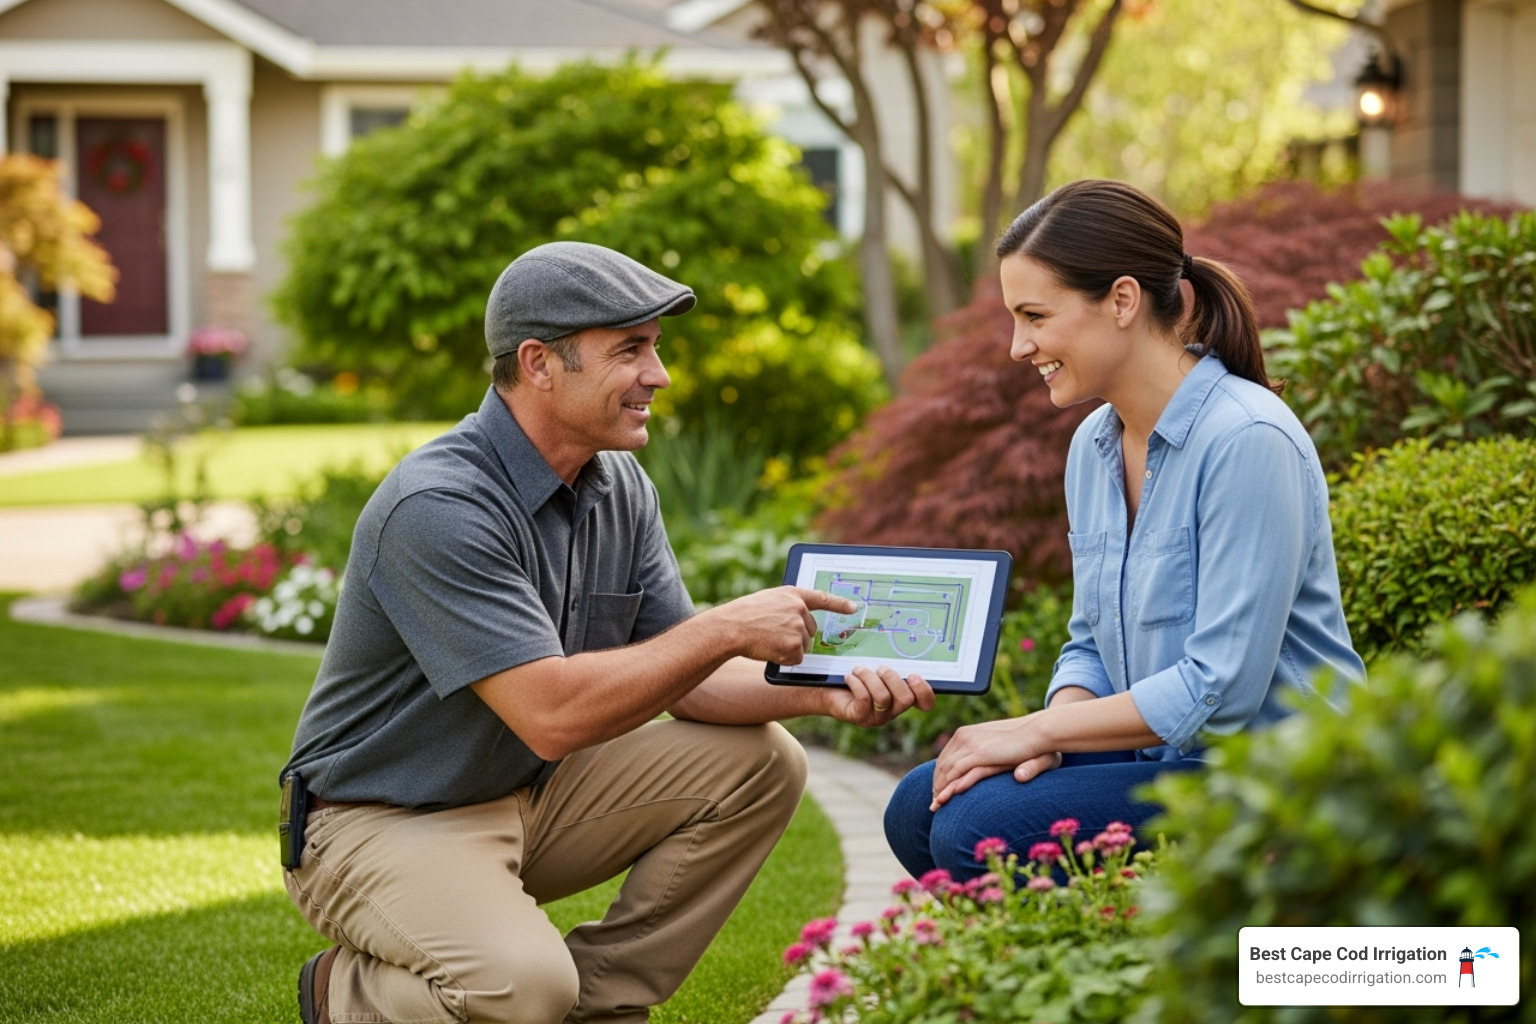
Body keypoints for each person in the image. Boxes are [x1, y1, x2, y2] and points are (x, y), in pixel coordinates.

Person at [281, 241, 936, 1024]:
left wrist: (823, 698)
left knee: (762, 763)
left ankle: (599, 1009)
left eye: (654, 349)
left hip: (527, 796)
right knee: (523, 988)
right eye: (630, 350)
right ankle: (344, 996)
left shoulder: (616, 481)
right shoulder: (438, 506)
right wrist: (725, 627)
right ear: (538, 363)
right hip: (379, 818)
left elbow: (687, 684)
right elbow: (553, 716)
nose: (657, 376)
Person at [883, 179, 1365, 881]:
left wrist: (1037, 729)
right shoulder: (1093, 445)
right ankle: (1068, 967)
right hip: (1166, 755)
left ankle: (1134, 975)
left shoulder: (1248, 439)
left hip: (1279, 779)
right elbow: (1091, 642)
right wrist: (1050, 738)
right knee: (916, 805)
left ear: (1122, 300)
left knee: (971, 831)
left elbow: (1221, 688)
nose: (1020, 347)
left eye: (1035, 315)